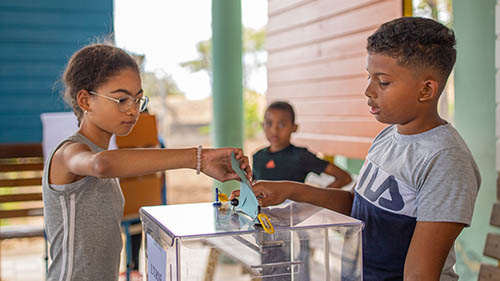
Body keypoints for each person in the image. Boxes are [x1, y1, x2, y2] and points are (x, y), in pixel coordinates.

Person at [233, 17, 480, 281]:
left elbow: (420, 274)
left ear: (426, 89)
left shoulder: (445, 160)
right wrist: (288, 190)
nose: (368, 91)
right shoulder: (387, 137)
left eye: (383, 82)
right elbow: (356, 205)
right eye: (369, 77)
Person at [42, 43, 251, 281]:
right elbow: (102, 165)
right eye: (121, 100)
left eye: (137, 100)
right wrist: (199, 159)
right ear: (85, 101)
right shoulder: (68, 152)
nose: (133, 111)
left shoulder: (104, 152)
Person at [253, 101, 352, 188]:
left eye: (282, 124)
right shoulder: (258, 156)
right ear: (263, 125)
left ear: (294, 127)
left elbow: (344, 178)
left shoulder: (300, 156)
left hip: (292, 209)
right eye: (269, 123)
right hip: (262, 209)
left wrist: (320, 198)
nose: (274, 130)